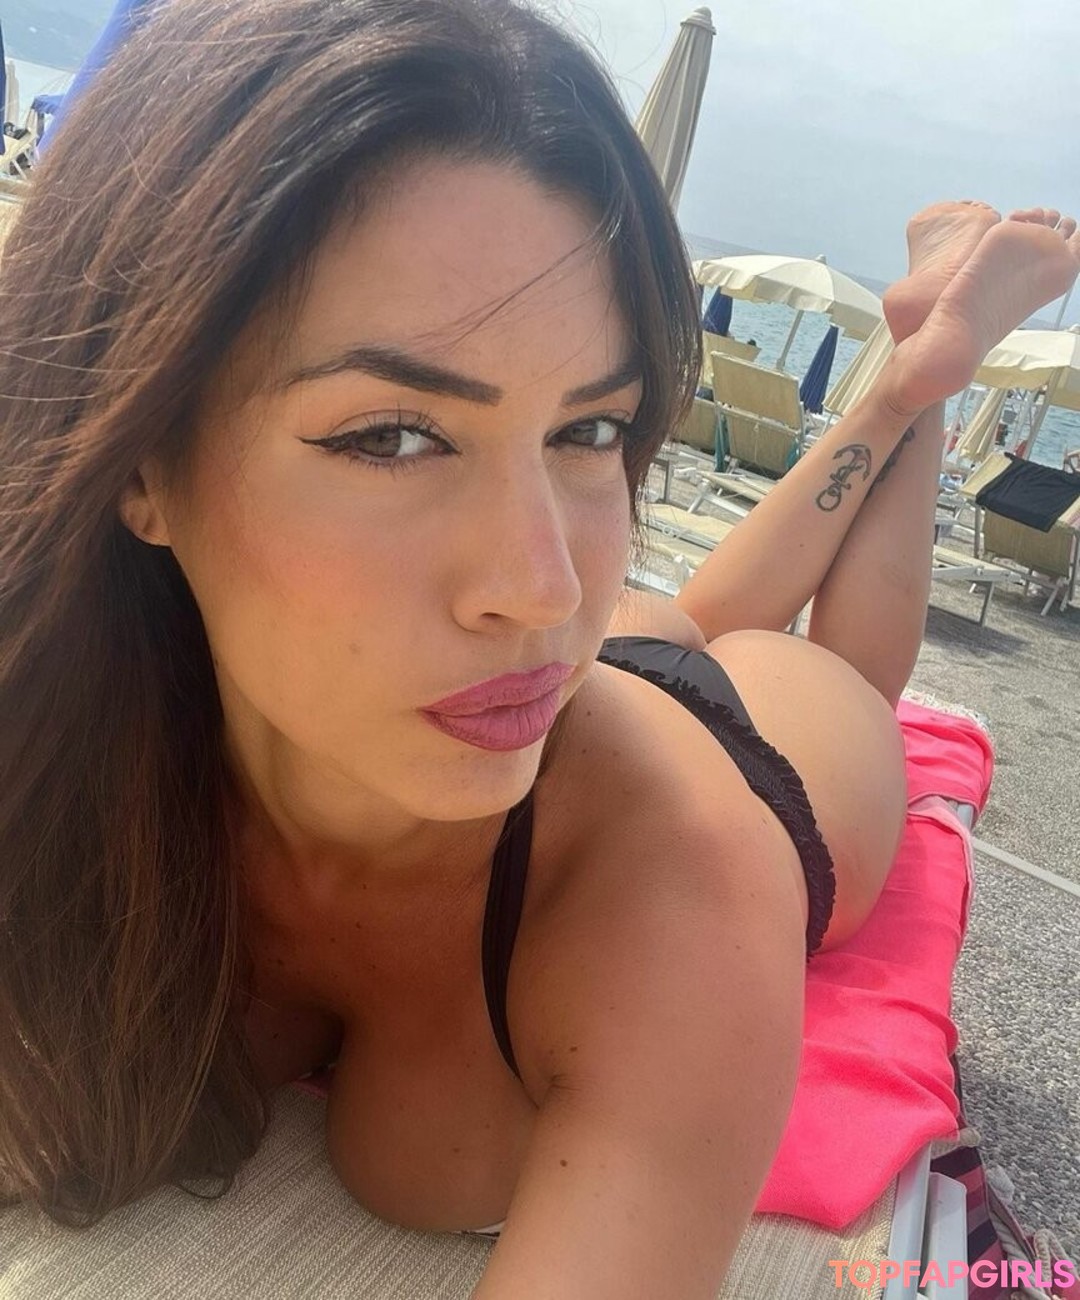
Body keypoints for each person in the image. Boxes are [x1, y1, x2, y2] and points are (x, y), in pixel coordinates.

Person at [0, 0, 1078, 1294]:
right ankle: (905, 366)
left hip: (762, 754)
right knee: (674, 618)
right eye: (393, 436)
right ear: (139, 463)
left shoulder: (686, 904)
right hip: (598, 674)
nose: (544, 580)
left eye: (591, 429)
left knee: (848, 667)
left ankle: (921, 377)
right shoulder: (61, 751)